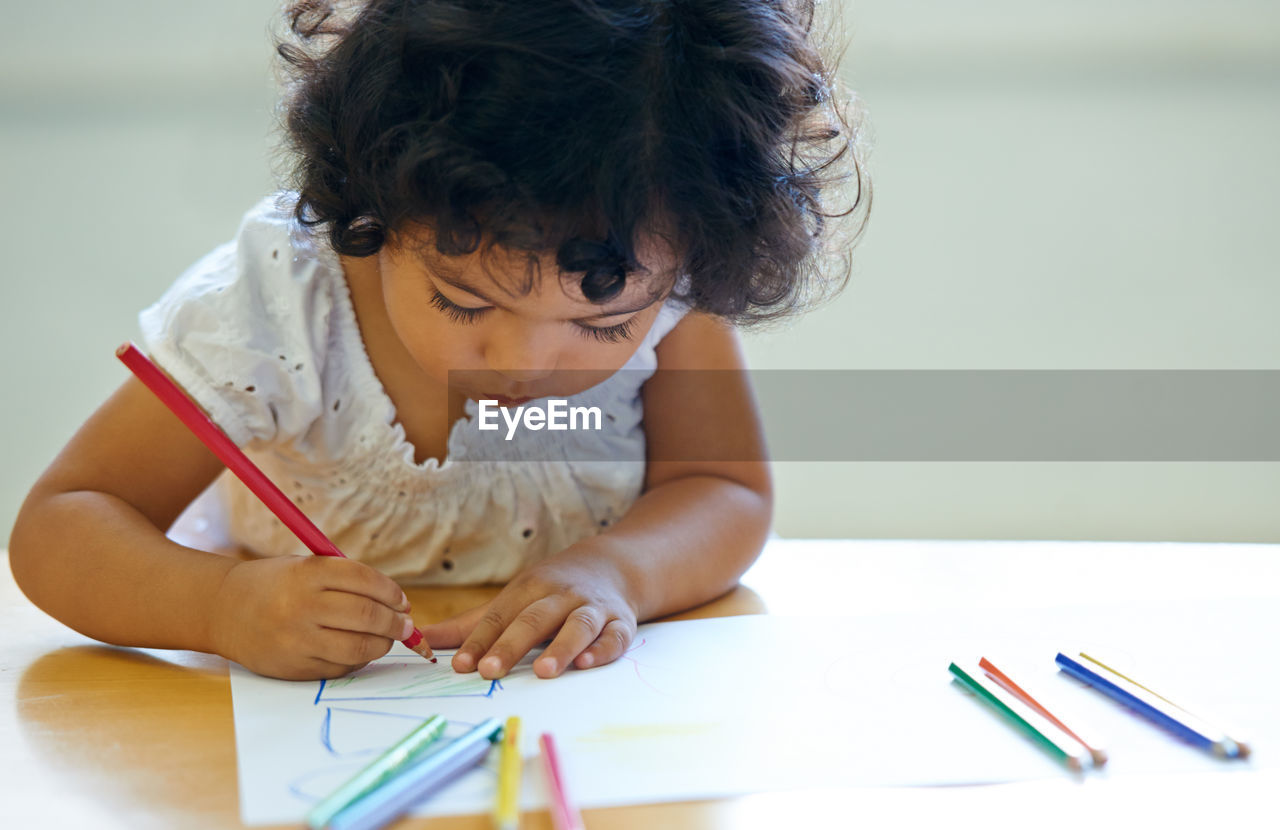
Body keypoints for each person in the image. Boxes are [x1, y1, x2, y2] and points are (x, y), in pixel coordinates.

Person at [9, 0, 867, 682]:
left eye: (602, 325)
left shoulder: (668, 269)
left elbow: (722, 487)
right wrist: (222, 607)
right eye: (463, 303)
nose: (523, 368)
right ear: (373, 206)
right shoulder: (274, 308)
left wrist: (618, 574)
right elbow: (62, 528)